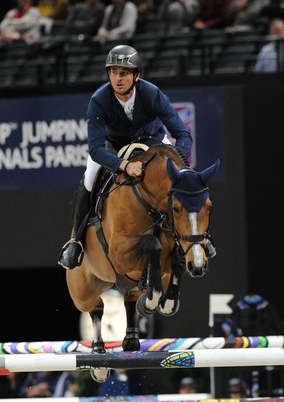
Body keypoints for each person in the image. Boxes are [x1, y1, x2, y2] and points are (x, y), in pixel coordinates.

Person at [58, 44, 193, 269]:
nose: (118, 78)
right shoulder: (99, 100)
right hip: (114, 147)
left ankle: (195, 237)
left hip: (152, 141)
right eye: (113, 72)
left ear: (136, 76)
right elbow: (95, 149)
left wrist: (181, 164)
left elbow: (182, 134)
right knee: (90, 177)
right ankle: (75, 241)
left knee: (183, 177)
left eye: (124, 73)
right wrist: (123, 165)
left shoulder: (151, 93)